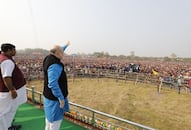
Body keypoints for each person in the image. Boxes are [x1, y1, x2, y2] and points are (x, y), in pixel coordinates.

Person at [43, 42, 70, 130]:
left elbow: (58, 49)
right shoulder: (55, 65)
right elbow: (53, 83)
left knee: (48, 120)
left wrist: (66, 45)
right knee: (55, 123)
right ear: (58, 53)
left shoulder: (48, 57)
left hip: (48, 96)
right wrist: (61, 98)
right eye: (62, 52)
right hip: (55, 100)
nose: (64, 54)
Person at [0, 43, 27, 130]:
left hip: (5, 91)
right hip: (7, 92)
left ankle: (7, 126)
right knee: (6, 112)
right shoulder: (7, 61)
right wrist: (12, 90)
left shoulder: (4, 58)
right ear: (8, 50)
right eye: (13, 49)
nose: (15, 51)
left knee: (7, 112)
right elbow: (6, 77)